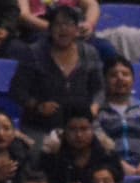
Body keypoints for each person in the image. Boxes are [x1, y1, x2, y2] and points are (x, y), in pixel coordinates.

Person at [8, 4, 102, 144]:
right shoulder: (33, 53)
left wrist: (94, 107)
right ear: (50, 29)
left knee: (105, 149)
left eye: (68, 24)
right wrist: (37, 106)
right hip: (41, 128)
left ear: (77, 29)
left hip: (81, 126)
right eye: (58, 24)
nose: (63, 29)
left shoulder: (89, 53)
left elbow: (99, 89)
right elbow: (17, 91)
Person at [38, 103, 121, 183]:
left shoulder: (107, 154)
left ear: (92, 129)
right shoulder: (51, 156)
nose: (78, 135)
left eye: (84, 129)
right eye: (72, 129)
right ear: (64, 131)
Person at [94, 57, 140, 177]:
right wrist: (118, 164)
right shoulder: (98, 111)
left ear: (133, 80)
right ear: (105, 81)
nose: (120, 78)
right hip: (109, 169)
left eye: (125, 74)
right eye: (113, 75)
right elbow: (98, 144)